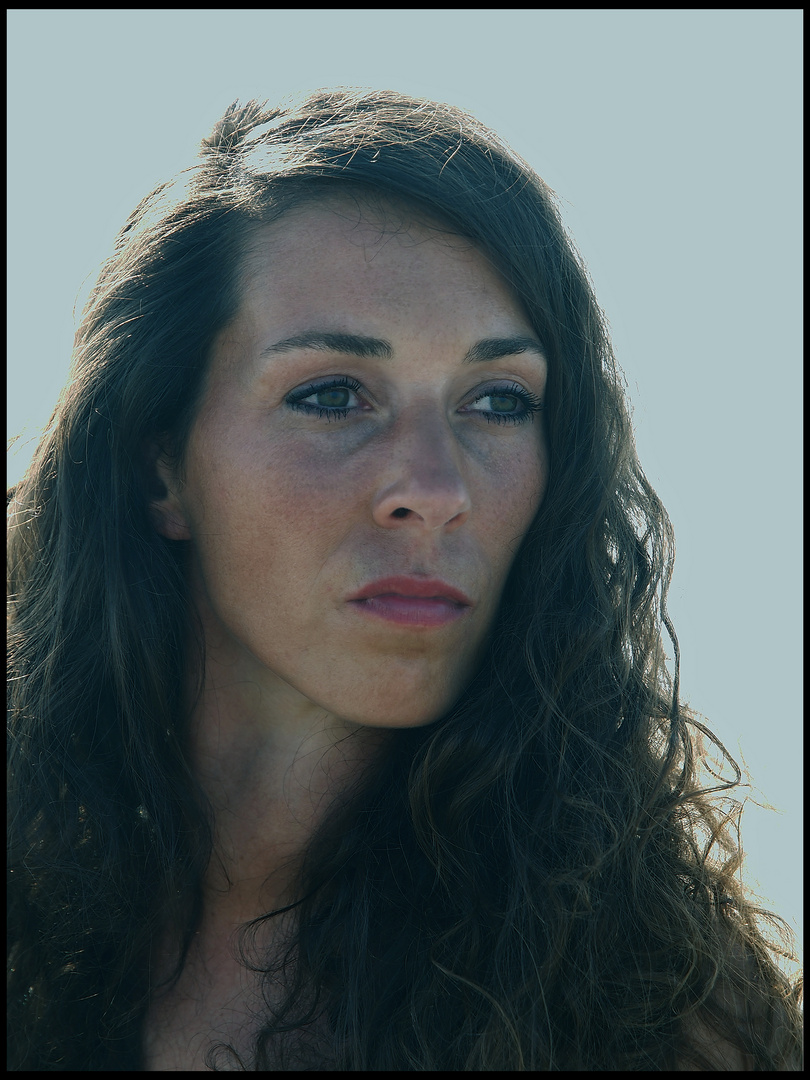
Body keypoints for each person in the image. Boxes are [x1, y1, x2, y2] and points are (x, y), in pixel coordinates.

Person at [7, 88, 802, 1072]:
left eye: (499, 401)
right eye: (333, 394)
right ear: (159, 462)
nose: (434, 490)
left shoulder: (647, 1008)